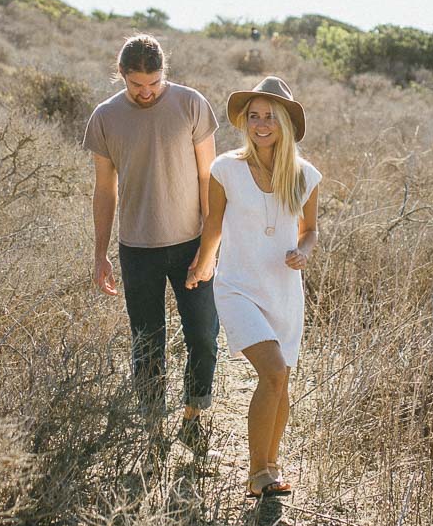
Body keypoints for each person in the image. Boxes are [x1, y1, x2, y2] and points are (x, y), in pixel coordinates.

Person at [187, 76, 320, 498]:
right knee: (274, 371)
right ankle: (257, 473)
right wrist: (202, 266)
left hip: (284, 289)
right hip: (237, 286)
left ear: (285, 123)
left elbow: (310, 230)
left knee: (281, 383)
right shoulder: (225, 168)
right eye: (254, 116)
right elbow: (213, 224)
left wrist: (303, 251)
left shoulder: (304, 175)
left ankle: (271, 467)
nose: (261, 124)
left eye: (270, 117)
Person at [85, 34, 219, 441]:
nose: (146, 92)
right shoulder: (105, 117)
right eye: (137, 85)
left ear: (165, 73)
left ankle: (193, 419)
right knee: (146, 343)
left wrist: (210, 248)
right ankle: (154, 430)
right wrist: (100, 254)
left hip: (191, 244)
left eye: (154, 84)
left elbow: (209, 179)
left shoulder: (191, 104)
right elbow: (105, 189)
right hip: (137, 249)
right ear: (121, 74)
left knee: (203, 336)